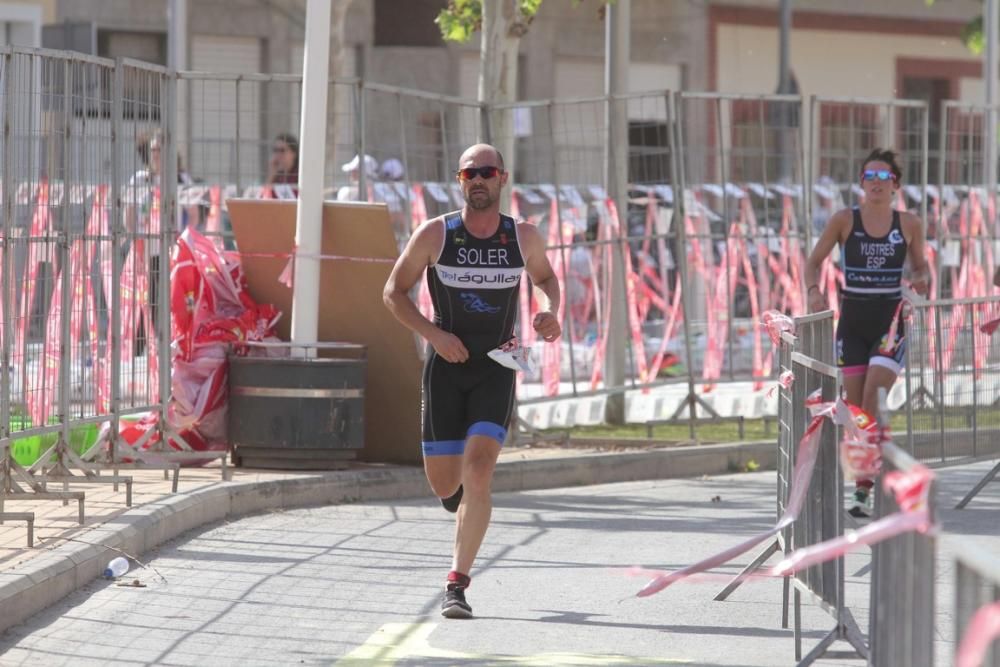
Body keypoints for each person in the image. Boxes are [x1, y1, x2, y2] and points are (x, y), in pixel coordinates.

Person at [383, 143, 562, 619]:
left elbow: (546, 278)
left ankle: (456, 585)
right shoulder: (436, 234)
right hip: (445, 367)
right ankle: (461, 501)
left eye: (486, 172)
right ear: (459, 182)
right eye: (469, 174)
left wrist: (549, 310)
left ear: (502, 178)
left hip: (498, 366)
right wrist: (435, 335)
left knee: (480, 469)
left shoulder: (522, 237)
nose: (478, 180)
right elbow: (393, 293)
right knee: (447, 485)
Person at [804, 148, 928, 518]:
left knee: (873, 398)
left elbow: (921, 269)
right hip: (852, 324)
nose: (876, 183)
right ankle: (862, 472)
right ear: (861, 183)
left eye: (883, 177)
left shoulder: (909, 224)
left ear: (895, 185)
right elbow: (813, 262)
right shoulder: (845, 220)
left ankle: (863, 491)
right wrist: (813, 291)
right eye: (869, 177)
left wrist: (919, 281)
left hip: (890, 324)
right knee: (858, 411)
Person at [264, 133, 299, 197]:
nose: (278, 155)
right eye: (275, 150)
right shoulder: (277, 176)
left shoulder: (300, 175)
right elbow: (264, 198)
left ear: (294, 153)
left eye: (282, 150)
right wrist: (271, 175)